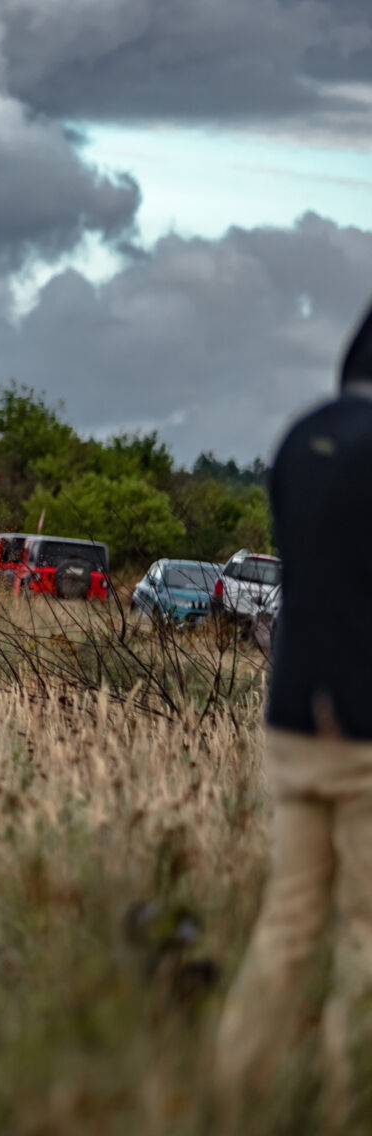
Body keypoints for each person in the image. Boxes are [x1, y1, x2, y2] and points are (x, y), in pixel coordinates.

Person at [216, 304, 372, 1128]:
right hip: (364, 725)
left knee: (291, 921)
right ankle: (353, 1105)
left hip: (291, 715)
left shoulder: (300, 438)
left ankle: (236, 1093)